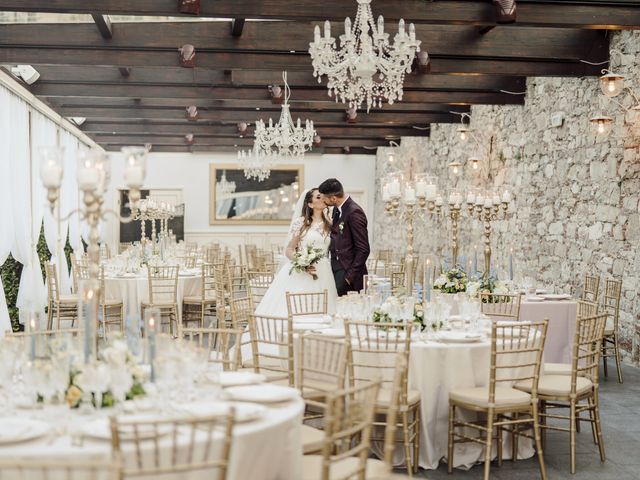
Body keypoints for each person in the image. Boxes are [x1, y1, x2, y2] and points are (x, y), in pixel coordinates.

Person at [255, 188, 338, 316]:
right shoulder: (301, 223)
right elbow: (289, 250)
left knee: (324, 307)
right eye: (318, 197)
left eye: (323, 196)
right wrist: (301, 262)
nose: (322, 199)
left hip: (324, 271)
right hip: (303, 272)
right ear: (310, 204)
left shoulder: (330, 223)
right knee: (298, 308)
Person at [318, 178, 370, 296]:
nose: (323, 201)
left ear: (333, 198)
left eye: (324, 198)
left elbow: (363, 249)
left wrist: (349, 277)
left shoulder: (354, 212)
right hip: (336, 268)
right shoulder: (337, 209)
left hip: (348, 273)